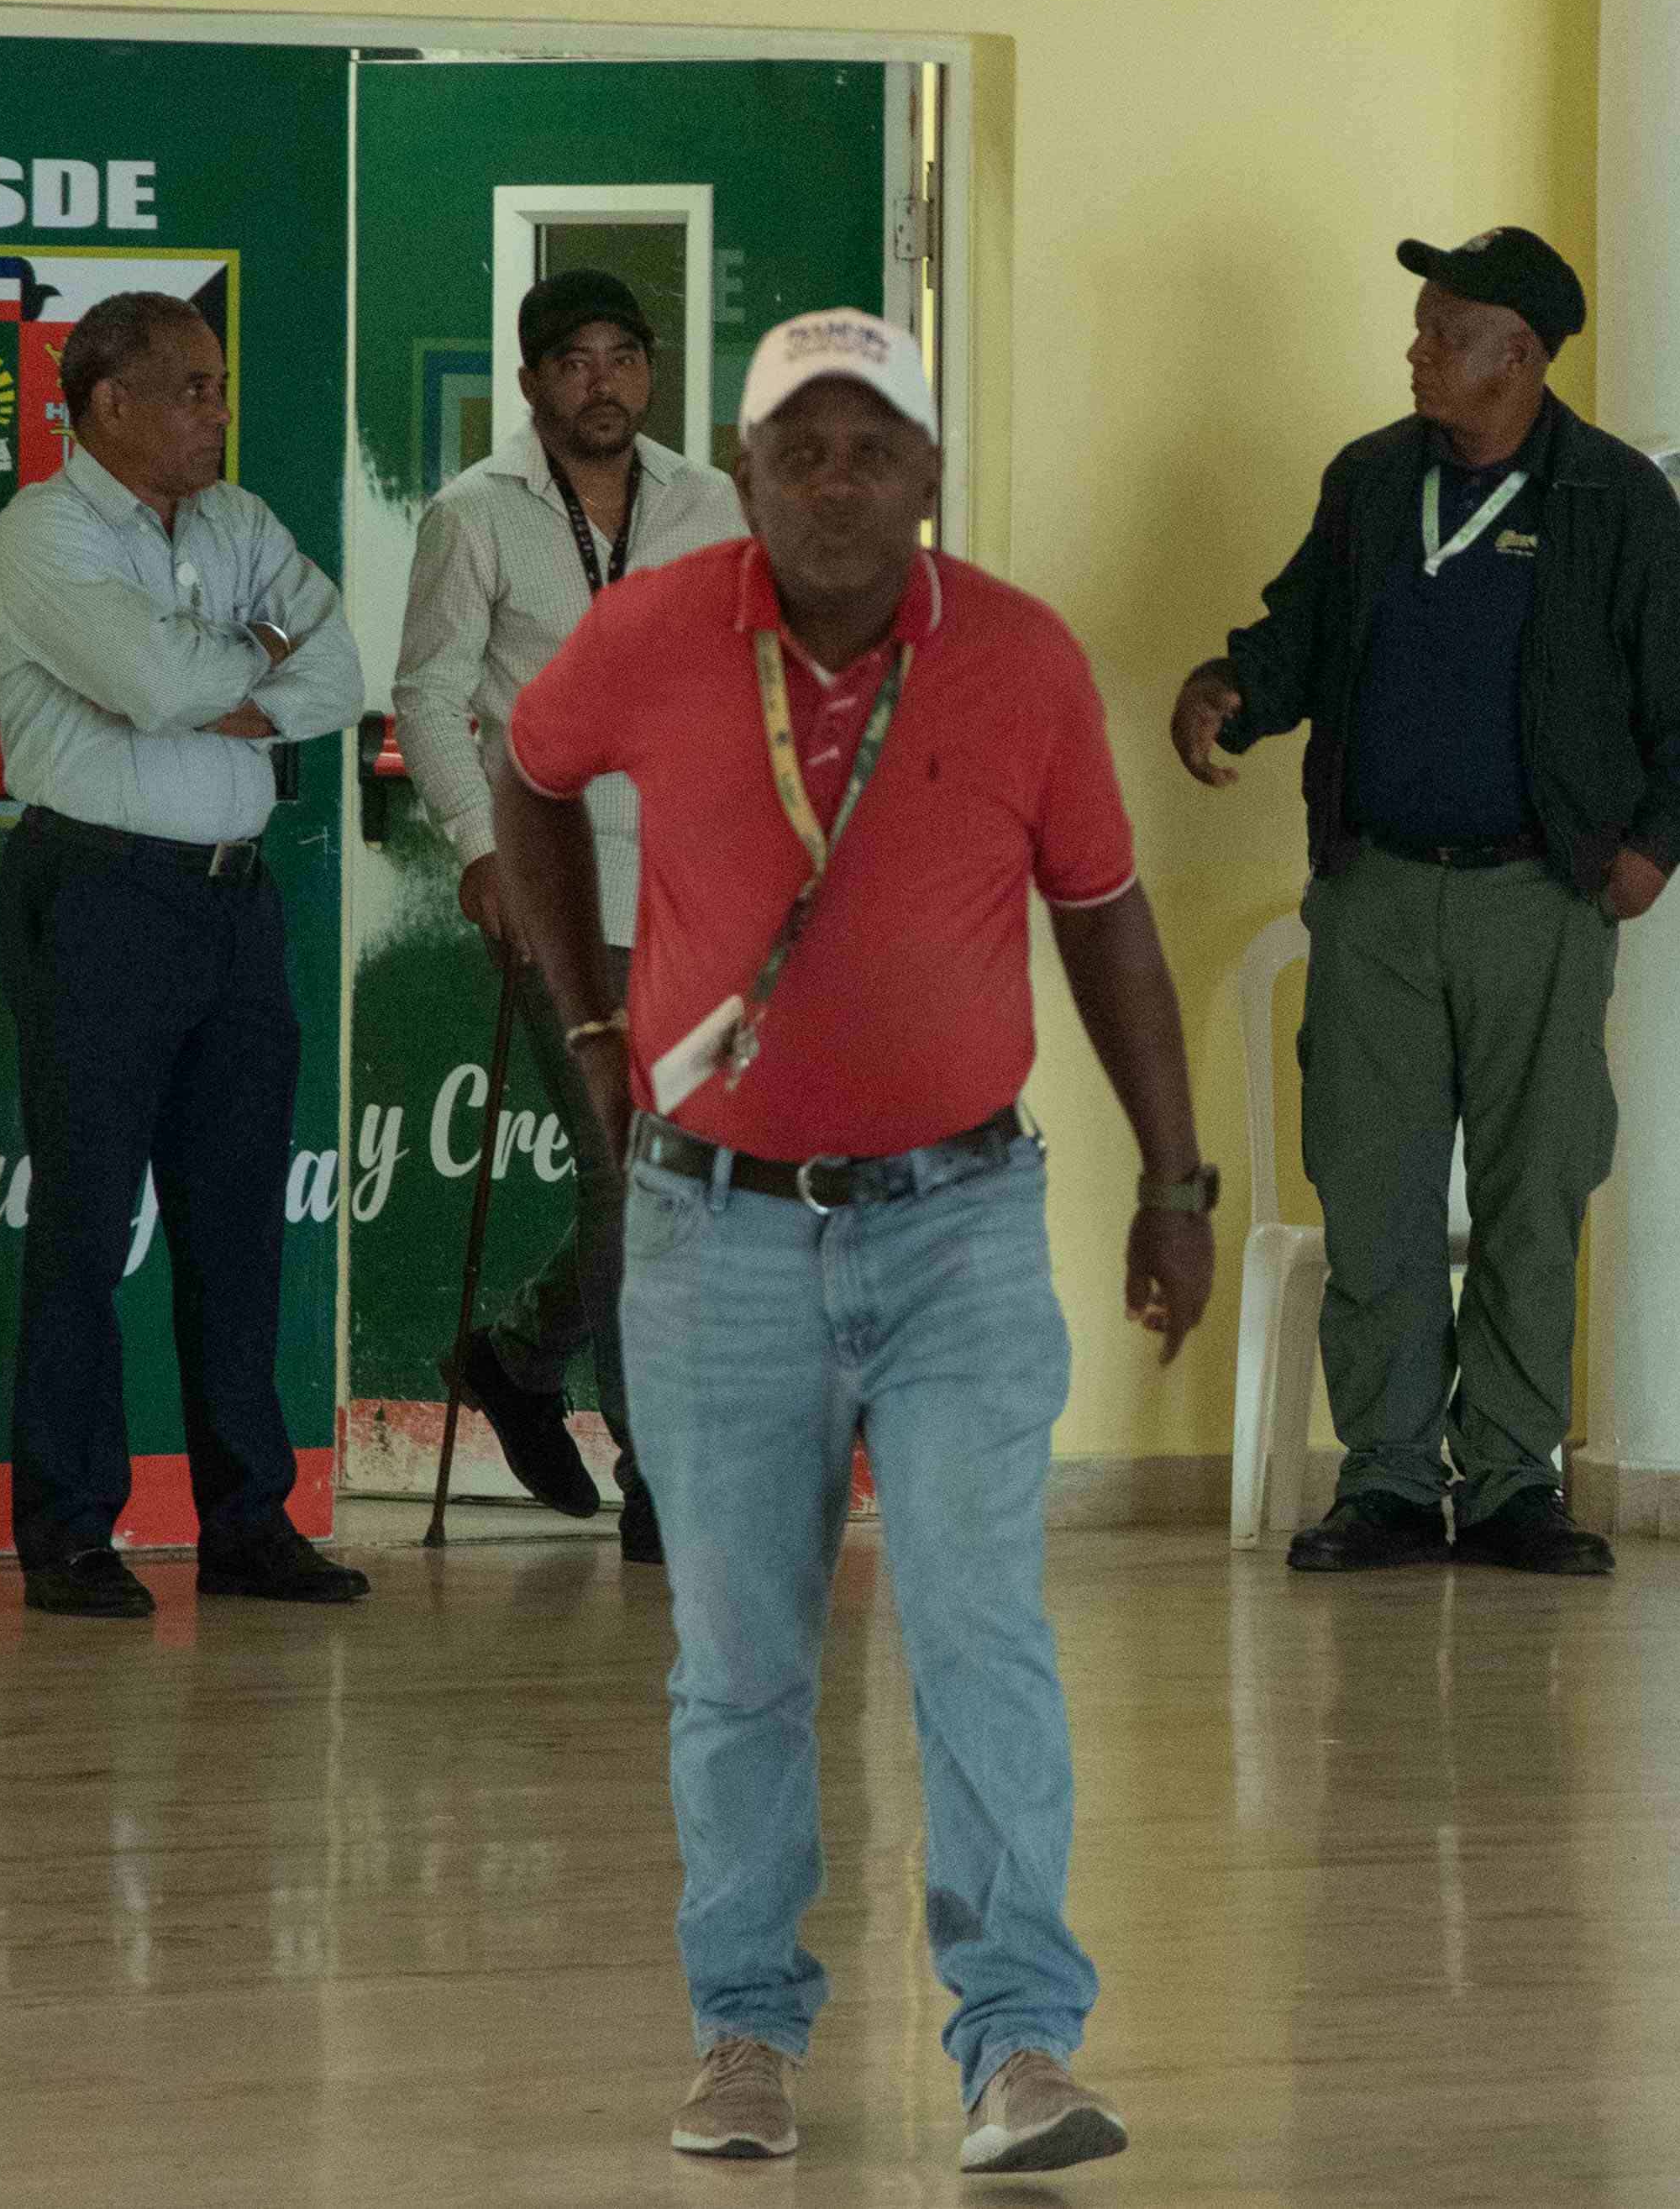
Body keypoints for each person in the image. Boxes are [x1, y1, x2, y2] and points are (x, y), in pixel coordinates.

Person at [496, 308, 1214, 2177]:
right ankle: (741, 2030)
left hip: (958, 1220)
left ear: (929, 477)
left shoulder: (1025, 659)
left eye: (871, 447)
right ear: (737, 476)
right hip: (711, 1231)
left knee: (981, 1628)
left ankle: (1021, 2043)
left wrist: (1176, 1174)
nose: (835, 480)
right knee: (737, 1654)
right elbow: (529, 767)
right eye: (797, 447)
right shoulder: (653, 633)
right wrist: (584, 1020)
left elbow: (1110, 920)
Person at [1168, 226, 1680, 1580]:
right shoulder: (1372, 482)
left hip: (1536, 901)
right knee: (1370, 1190)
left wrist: (1653, 850)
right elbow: (1297, 636)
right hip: (1373, 896)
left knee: (1534, 1197)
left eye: (1444, 332)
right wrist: (1233, 690)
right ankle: (1380, 1478)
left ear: (1522, 357)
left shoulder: (1611, 501)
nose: (1416, 350)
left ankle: (1508, 1483)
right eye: (1421, 328)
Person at [0, 290, 375, 1621]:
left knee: (238, 1224)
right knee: (88, 1221)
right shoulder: (43, 532)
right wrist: (246, 660)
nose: (219, 411)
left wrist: (229, 676)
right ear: (108, 405)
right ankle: (70, 1535)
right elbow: (150, 688)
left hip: (233, 905)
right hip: (99, 892)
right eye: (194, 389)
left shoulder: (241, 520)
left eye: (218, 386)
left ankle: (248, 1524)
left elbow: (335, 677)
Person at [392, 266, 746, 1557]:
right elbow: (430, 696)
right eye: (573, 361)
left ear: (650, 373)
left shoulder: (709, 503)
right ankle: (661, 1476)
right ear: (534, 381)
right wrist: (478, 847)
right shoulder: (473, 512)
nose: (602, 382)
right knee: (629, 1176)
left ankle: (524, 1357)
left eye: (623, 358)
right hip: (556, 883)